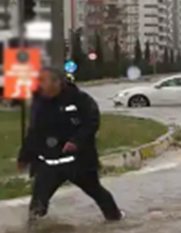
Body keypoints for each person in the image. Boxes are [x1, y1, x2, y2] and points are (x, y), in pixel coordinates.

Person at [19, 67, 123, 224]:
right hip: (49, 165)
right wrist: (24, 156)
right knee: (37, 205)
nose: (39, 84)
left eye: (43, 80)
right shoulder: (39, 102)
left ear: (57, 82)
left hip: (78, 163)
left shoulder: (79, 99)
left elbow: (91, 122)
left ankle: (116, 220)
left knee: (98, 193)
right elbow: (34, 132)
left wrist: (77, 141)